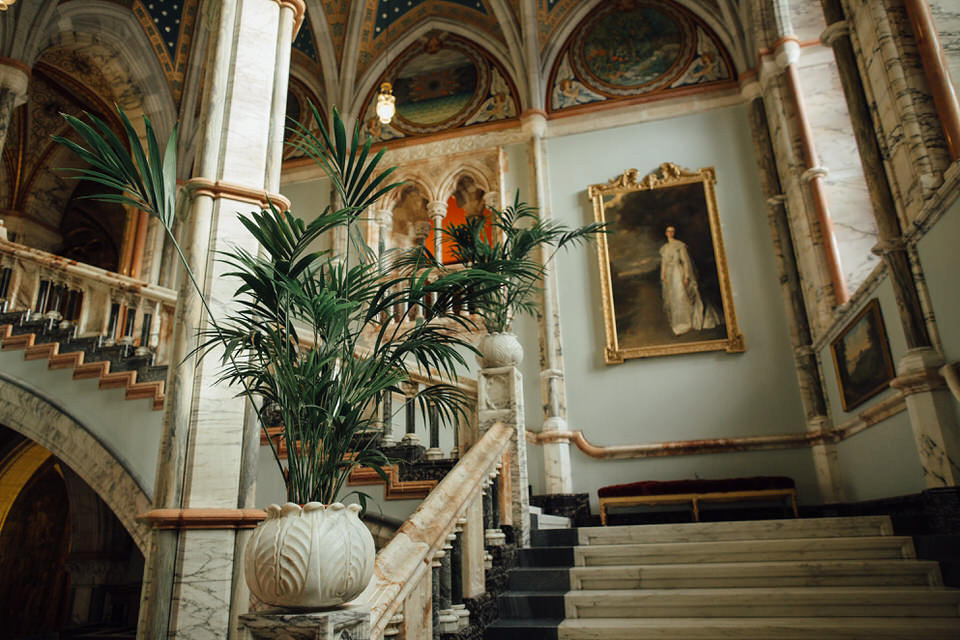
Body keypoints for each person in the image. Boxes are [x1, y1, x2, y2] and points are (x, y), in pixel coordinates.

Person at [659, 225, 720, 335]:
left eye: (672, 231)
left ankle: (686, 322)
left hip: (678, 273)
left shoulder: (680, 245)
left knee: (681, 295)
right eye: (668, 231)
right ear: (666, 233)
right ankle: (677, 322)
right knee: (673, 298)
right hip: (669, 275)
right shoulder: (664, 248)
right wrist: (662, 275)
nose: (670, 233)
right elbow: (664, 263)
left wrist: (686, 276)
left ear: (674, 232)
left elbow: (686, 262)